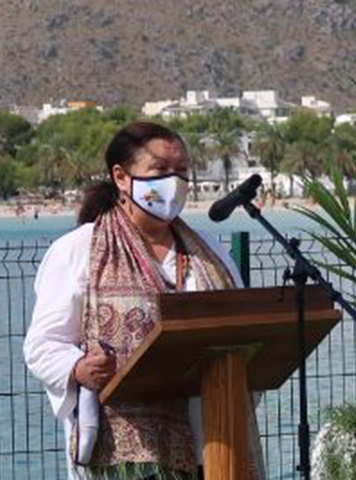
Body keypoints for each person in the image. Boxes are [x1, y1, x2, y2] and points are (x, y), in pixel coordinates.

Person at [23, 121, 266, 479]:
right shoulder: (78, 250)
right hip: (124, 456)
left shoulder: (211, 253)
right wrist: (78, 368)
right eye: (160, 170)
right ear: (121, 177)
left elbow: (243, 331)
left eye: (182, 170)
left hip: (213, 444)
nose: (174, 181)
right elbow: (42, 346)